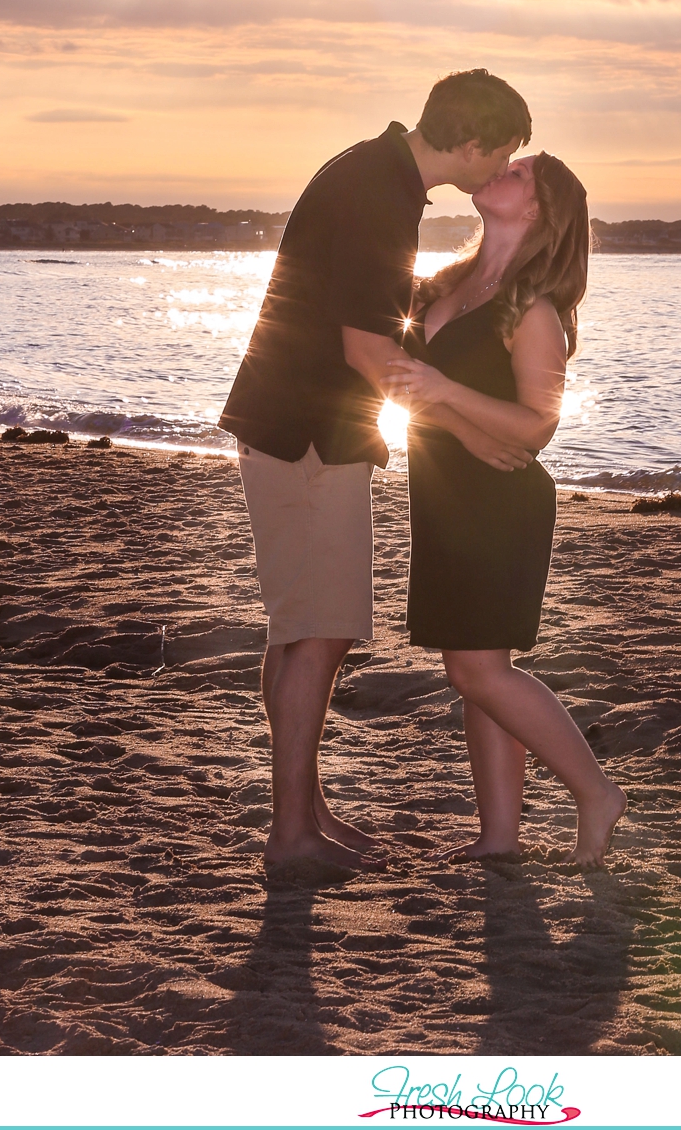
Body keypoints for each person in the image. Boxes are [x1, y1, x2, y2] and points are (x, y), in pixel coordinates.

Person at [219, 70, 533, 869]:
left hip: (288, 427)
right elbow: (368, 351)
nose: (500, 168)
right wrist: (466, 428)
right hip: (310, 437)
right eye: (500, 151)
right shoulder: (379, 194)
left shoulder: (370, 171)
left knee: (296, 629)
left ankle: (307, 812)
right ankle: (291, 834)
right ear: (468, 142)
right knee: (320, 632)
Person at [384, 152, 626, 867]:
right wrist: (434, 401)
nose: (499, 170)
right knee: (478, 668)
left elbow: (535, 427)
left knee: (478, 671)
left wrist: (443, 393)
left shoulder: (534, 310)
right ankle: (499, 837)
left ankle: (595, 793)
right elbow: (400, 384)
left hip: (497, 501)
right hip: (443, 491)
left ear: (540, 213)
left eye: (520, 174)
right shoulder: (444, 286)